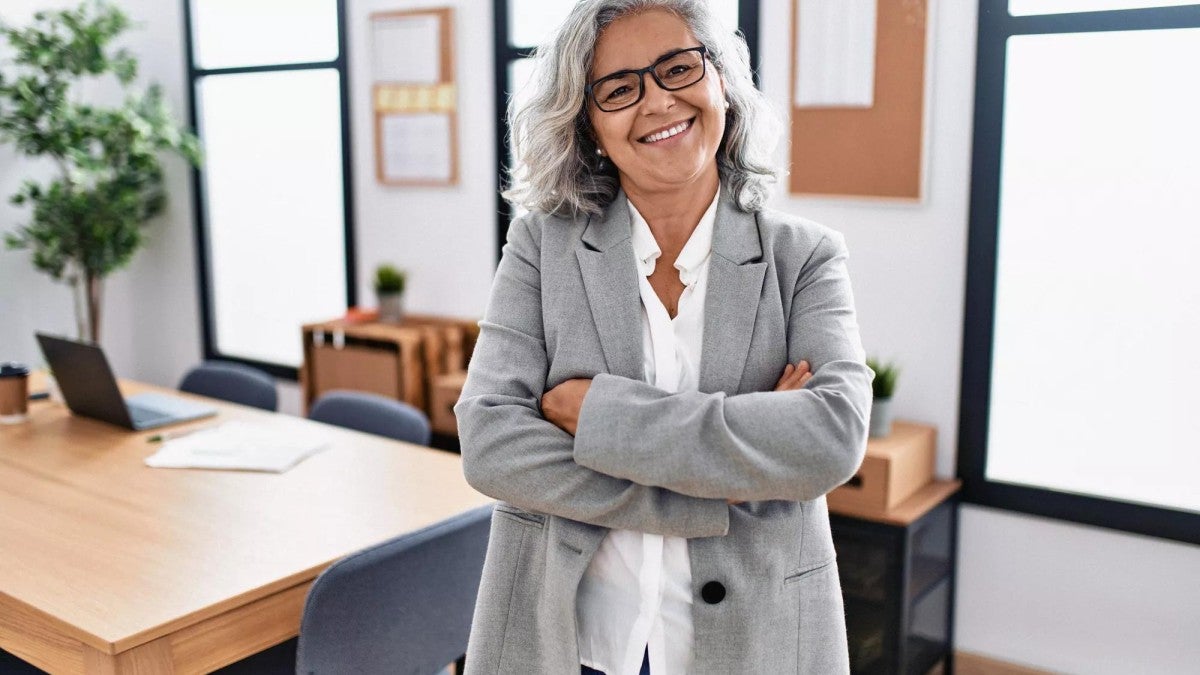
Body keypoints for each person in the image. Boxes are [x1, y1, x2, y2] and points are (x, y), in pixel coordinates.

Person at [455, 1, 872, 672]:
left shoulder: (806, 257)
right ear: (587, 124)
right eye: (619, 88)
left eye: (678, 68)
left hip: (754, 643)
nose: (656, 101)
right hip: (570, 641)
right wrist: (731, 476)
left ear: (723, 84)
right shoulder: (539, 247)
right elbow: (490, 443)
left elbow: (831, 437)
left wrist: (596, 416)